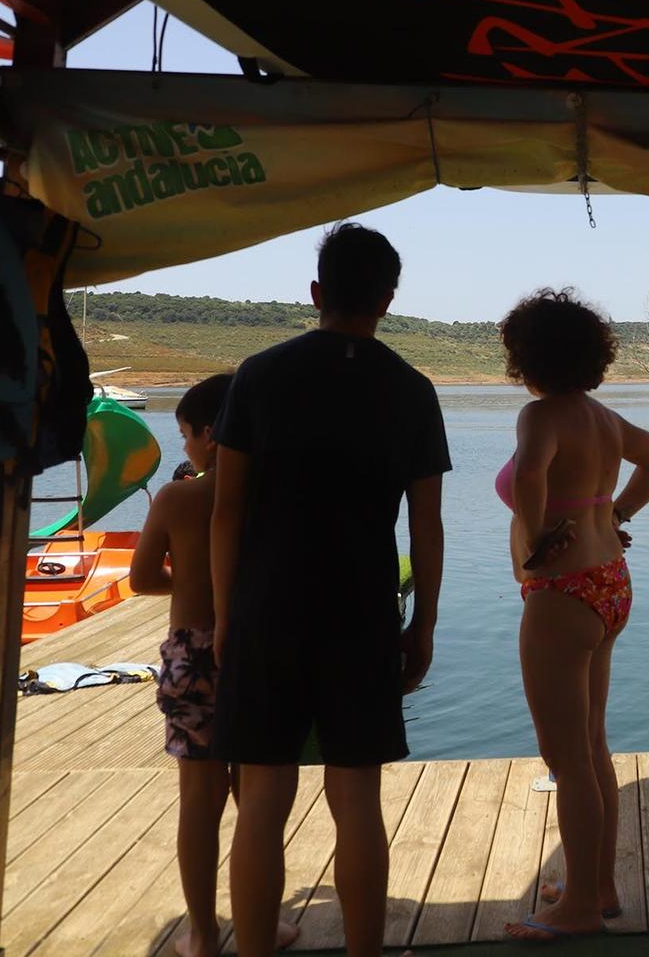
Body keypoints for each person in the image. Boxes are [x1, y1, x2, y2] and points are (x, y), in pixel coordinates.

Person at [209, 224, 448, 957]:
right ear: (387, 300)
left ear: (316, 294)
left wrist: (226, 620)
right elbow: (427, 527)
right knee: (358, 802)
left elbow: (226, 510)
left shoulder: (257, 374)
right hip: (362, 616)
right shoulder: (411, 389)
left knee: (261, 804)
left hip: (266, 611)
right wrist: (424, 625)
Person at [497, 290, 649, 944]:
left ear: (527, 356)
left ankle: (575, 912)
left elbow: (530, 477)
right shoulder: (601, 417)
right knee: (592, 743)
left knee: (564, 755)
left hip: (563, 593)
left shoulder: (540, 416)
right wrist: (616, 516)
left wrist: (538, 537)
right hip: (610, 584)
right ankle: (595, 887)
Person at [133, 375, 299, 957]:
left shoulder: (178, 499)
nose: (185, 449)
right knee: (259, 801)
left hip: (193, 654)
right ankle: (264, 923)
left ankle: (203, 933)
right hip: (258, 649)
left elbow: (142, 578)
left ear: (211, 432)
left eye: (185, 435)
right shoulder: (275, 500)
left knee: (198, 802)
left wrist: (190, 583)